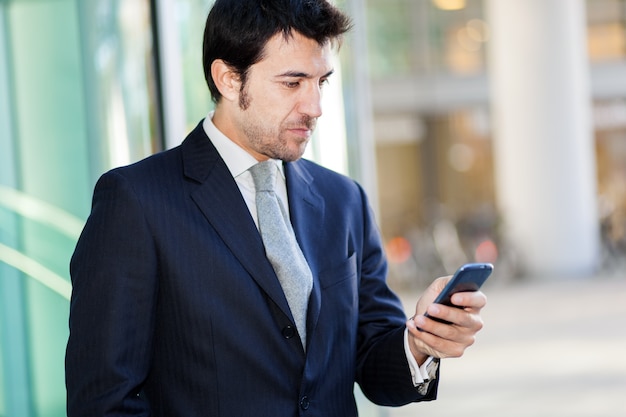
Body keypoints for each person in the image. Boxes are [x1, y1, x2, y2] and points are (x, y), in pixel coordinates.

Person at [65, 0, 487, 416]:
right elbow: (104, 401)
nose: (314, 107)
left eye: (321, 81)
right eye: (292, 83)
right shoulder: (137, 201)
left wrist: (420, 342)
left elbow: (373, 364)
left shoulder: (344, 201)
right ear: (229, 79)